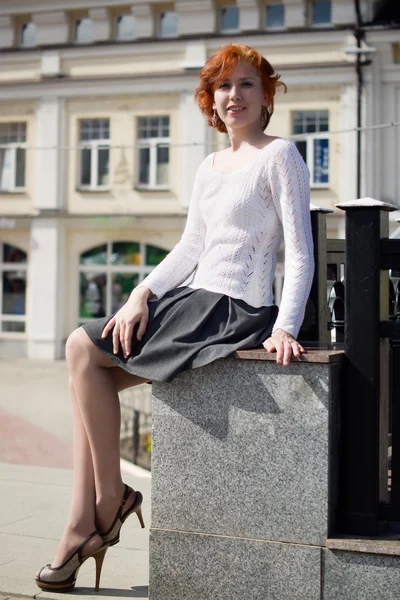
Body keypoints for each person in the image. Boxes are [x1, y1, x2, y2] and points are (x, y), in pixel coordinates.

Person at [35, 43, 314, 593]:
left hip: (236, 308)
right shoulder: (210, 166)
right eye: (223, 86)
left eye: (246, 84)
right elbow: (191, 246)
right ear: (211, 99)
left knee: (79, 349)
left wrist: (285, 324)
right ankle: (90, 517)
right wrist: (140, 293)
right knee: (86, 372)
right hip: (196, 298)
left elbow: (298, 249)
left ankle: (100, 510)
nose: (234, 95)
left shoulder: (280, 155)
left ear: (266, 96)